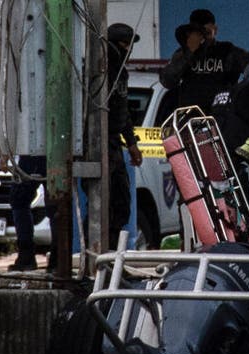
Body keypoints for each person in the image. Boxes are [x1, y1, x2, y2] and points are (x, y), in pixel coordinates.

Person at [159, 9, 249, 114]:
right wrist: (189, 52)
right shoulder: (183, 53)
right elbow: (167, 81)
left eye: (207, 32)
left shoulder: (228, 52)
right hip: (190, 120)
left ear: (215, 30)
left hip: (220, 120)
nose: (204, 38)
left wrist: (240, 95)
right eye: (199, 33)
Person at [106, 23, 143, 249]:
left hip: (114, 143)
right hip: (101, 143)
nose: (128, 50)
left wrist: (131, 144)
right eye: (124, 45)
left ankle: (113, 254)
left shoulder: (122, 73)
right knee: (104, 202)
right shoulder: (102, 69)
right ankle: (101, 256)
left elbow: (123, 111)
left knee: (121, 201)